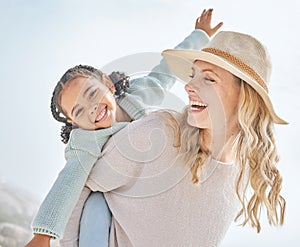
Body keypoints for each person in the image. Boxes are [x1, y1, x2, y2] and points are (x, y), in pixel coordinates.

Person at [61, 26, 288, 246]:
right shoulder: (156, 133)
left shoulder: (241, 174)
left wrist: (199, 34)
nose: (188, 86)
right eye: (193, 76)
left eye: (208, 79)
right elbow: (79, 186)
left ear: (244, 96)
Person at [25, 9, 223, 247]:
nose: (92, 108)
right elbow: (67, 183)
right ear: (74, 124)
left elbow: (164, 72)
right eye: (79, 111)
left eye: (92, 93)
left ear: (108, 84)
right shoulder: (86, 141)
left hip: (145, 190)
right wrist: (43, 235)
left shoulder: (136, 96)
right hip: (108, 200)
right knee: (95, 206)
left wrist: (199, 35)